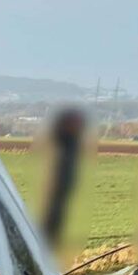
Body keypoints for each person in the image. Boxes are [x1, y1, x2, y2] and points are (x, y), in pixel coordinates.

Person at [40, 107, 88, 251]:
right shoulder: (62, 141)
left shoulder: (72, 141)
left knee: (58, 217)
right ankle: (46, 241)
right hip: (57, 186)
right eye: (75, 123)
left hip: (64, 186)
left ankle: (50, 240)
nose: (78, 127)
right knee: (52, 216)